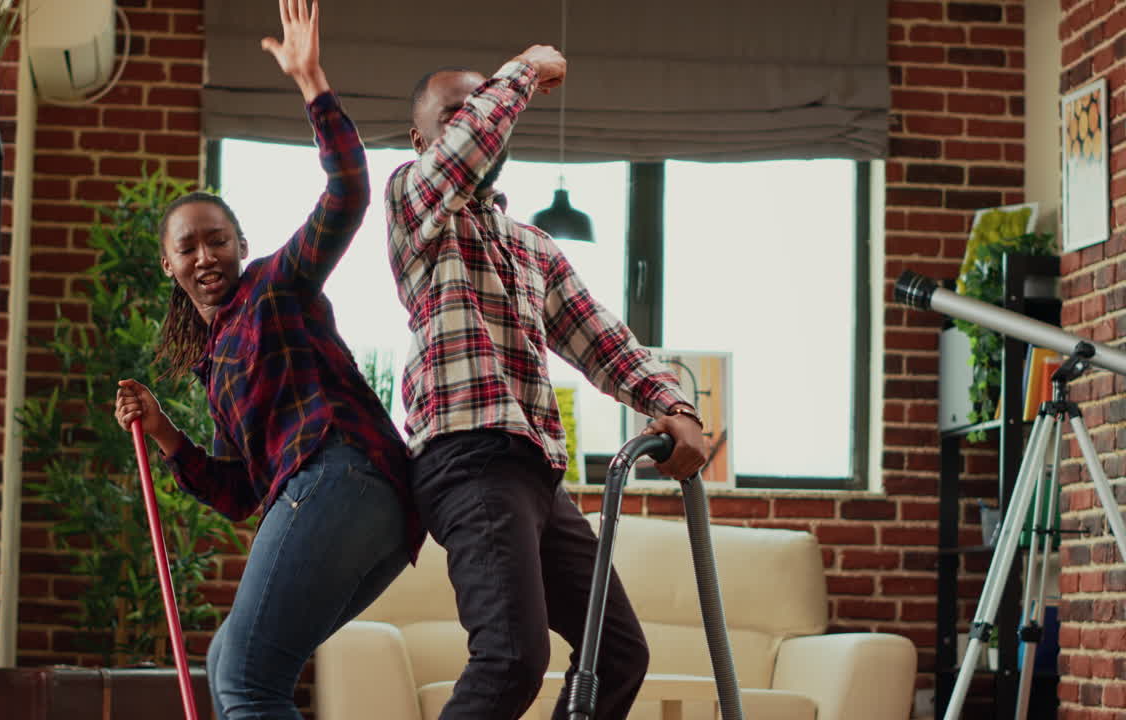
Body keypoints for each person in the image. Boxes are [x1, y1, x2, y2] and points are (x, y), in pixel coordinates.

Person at [114, 2, 421, 717]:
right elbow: (243, 493)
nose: (205, 255)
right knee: (235, 663)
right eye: (187, 247)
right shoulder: (215, 365)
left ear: (241, 246)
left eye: (216, 239)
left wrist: (312, 83)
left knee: (247, 677)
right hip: (361, 509)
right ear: (169, 265)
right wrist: (163, 431)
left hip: (343, 476)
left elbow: (347, 193)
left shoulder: (276, 285)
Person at [385, 47, 709, 720]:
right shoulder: (415, 205)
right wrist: (525, 70)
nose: (479, 121)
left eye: (485, 108)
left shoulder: (532, 247)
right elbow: (461, 152)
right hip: (467, 461)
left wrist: (673, 405)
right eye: (457, 114)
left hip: (536, 475)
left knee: (616, 655)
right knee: (510, 660)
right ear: (421, 139)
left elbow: (604, 340)